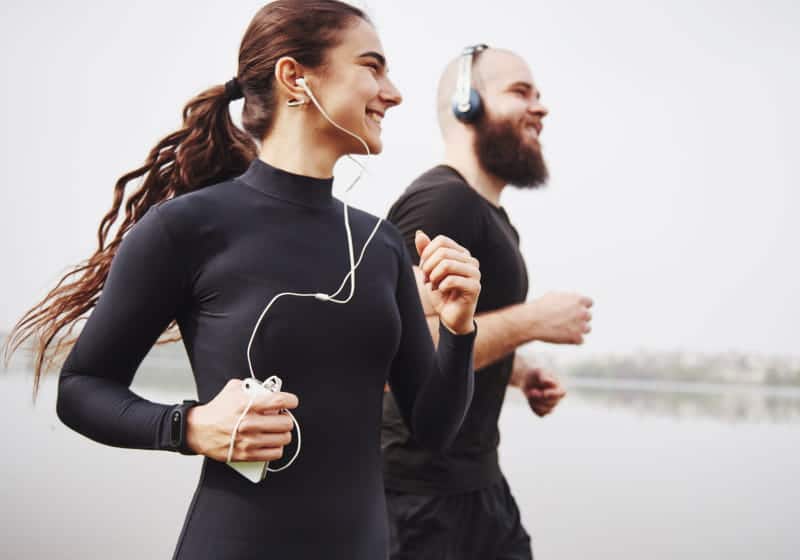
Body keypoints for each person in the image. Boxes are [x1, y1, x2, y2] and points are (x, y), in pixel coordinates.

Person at [4, 2, 483, 558]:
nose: (394, 92)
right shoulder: (187, 228)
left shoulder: (380, 247)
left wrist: (458, 326)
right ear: (294, 78)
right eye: (372, 67)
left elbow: (433, 431)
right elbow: (82, 388)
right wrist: (188, 425)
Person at [382, 45, 594, 559]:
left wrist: (519, 372)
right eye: (520, 92)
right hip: (418, 497)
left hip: (479, 484)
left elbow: (464, 328)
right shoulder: (442, 201)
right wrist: (532, 320)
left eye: (539, 94)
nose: (539, 107)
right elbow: (397, 353)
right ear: (466, 105)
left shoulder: (493, 218)